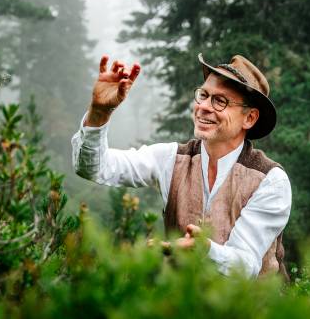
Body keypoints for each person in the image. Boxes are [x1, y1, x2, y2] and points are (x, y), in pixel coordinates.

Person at [71, 53, 291, 279]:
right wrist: (99, 112)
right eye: (203, 95)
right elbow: (94, 168)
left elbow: (245, 267)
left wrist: (204, 250)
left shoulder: (270, 180)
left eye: (220, 101)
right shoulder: (171, 158)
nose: (204, 107)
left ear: (250, 118)